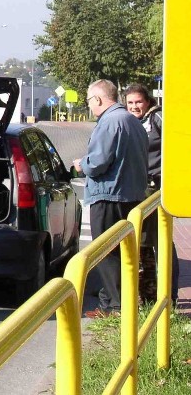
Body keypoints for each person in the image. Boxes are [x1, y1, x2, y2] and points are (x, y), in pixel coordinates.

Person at [73, 79, 148, 318]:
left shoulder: (109, 122)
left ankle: (114, 308)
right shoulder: (132, 121)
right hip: (132, 196)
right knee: (122, 253)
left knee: (106, 253)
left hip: (109, 195)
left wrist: (80, 165)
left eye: (89, 100)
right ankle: (110, 302)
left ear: (98, 99)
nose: (89, 105)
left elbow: (98, 162)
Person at [124, 83, 179, 303]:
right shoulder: (130, 122)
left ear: (148, 102)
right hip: (139, 189)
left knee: (162, 242)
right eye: (130, 103)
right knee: (144, 242)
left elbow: (175, 143)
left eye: (139, 102)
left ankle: (170, 295)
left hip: (157, 190)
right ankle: (147, 295)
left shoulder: (157, 119)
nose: (135, 106)